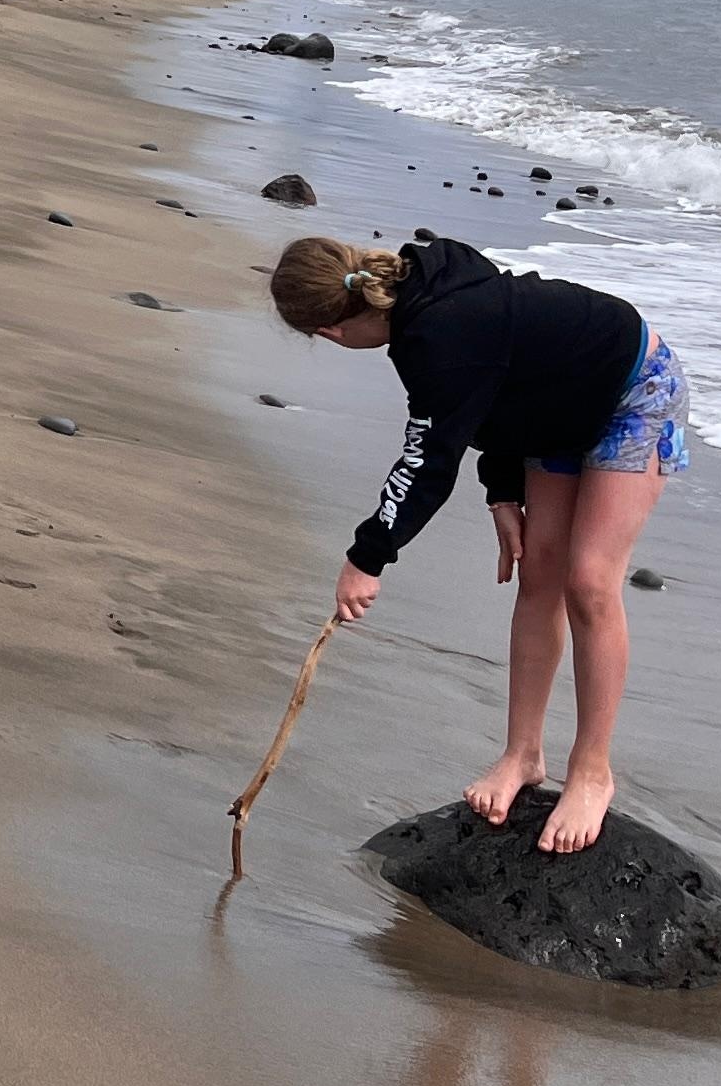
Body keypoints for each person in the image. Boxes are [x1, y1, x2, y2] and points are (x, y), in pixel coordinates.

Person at [271, 232, 689, 855]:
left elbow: (429, 460)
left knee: (590, 580)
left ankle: (592, 772)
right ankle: (523, 755)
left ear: (331, 329)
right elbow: (496, 386)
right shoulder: (420, 298)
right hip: (556, 410)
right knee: (538, 572)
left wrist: (367, 557)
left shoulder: (437, 330)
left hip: (633, 390)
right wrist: (502, 492)